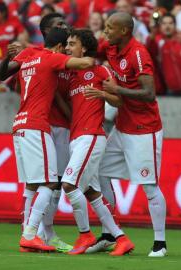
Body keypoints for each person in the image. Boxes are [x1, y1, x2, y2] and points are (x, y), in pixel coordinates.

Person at [5, 27, 94, 252]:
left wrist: (12, 55)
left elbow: (5, 72)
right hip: (37, 125)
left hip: (19, 124)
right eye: (65, 46)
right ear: (58, 47)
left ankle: (28, 235)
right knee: (51, 182)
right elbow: (83, 64)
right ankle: (29, 234)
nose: (66, 50)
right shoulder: (51, 58)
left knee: (33, 183)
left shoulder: (29, 55)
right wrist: (89, 53)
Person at [86, 12, 167, 257]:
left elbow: (149, 93)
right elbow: (90, 50)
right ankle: (110, 233)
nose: (105, 31)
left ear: (124, 31)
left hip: (144, 129)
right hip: (122, 127)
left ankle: (160, 243)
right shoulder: (111, 48)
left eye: (110, 27)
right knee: (99, 172)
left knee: (149, 186)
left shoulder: (138, 53)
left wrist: (116, 89)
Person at [0, 13, 73, 253]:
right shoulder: (42, 56)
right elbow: (5, 76)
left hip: (48, 124)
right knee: (50, 182)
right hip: (40, 125)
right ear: (47, 31)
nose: (64, 27)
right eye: (59, 26)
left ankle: (40, 233)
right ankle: (34, 233)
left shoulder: (34, 54)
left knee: (49, 183)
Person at [61, 28, 134, 256]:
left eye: (72, 44)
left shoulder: (100, 70)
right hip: (76, 137)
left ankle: (85, 234)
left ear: (84, 47)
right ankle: (122, 239)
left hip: (92, 135)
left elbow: (119, 101)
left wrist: (103, 95)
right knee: (92, 192)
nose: (67, 47)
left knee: (69, 185)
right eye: (67, 44)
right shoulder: (71, 74)